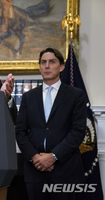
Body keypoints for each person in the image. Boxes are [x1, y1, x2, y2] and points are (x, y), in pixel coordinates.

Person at [15, 48, 86, 200]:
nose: (47, 66)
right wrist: (35, 157)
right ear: (40, 67)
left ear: (61, 67)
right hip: (35, 171)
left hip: (65, 171)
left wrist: (53, 156)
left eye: (52, 62)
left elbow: (77, 132)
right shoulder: (28, 97)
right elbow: (20, 131)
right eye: (43, 62)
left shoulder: (75, 95)